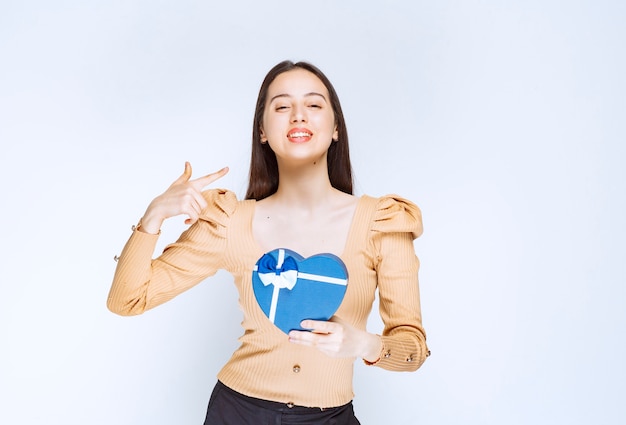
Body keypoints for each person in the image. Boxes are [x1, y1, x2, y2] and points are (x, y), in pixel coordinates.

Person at [107, 60, 429, 424]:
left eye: (314, 104)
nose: (298, 116)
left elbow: (413, 349)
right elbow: (126, 300)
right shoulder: (229, 221)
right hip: (236, 412)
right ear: (262, 131)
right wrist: (153, 218)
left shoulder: (383, 222)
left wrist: (364, 344)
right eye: (281, 106)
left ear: (336, 127)